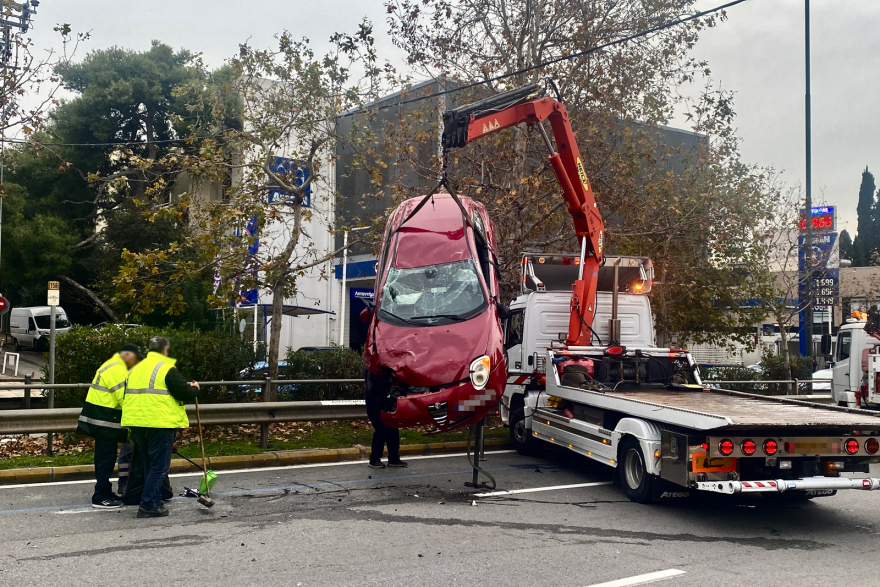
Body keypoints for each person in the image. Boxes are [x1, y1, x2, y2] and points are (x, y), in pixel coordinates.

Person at [121, 336, 200, 518]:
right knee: (159, 467)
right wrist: (195, 388)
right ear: (165, 350)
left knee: (149, 463)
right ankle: (148, 504)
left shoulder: (135, 369)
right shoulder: (165, 368)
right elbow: (183, 392)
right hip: (158, 422)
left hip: (136, 422)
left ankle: (154, 500)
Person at [76, 343, 144, 509]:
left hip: (103, 418)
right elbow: (125, 397)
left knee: (105, 457)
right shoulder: (117, 369)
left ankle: (104, 492)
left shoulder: (114, 365)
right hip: (104, 419)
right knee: (105, 459)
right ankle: (100, 497)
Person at [364, 370, 407, 469]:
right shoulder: (373, 370)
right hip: (376, 402)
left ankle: (393, 458)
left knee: (392, 428)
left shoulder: (385, 370)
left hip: (384, 401)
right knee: (381, 429)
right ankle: (375, 459)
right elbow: (373, 389)